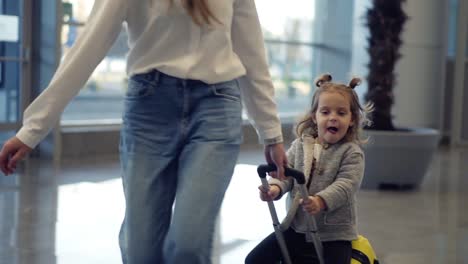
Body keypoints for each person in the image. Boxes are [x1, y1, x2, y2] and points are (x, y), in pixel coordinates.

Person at [0, 0, 288, 263]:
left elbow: (252, 55)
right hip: (150, 107)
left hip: (216, 107)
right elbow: (88, 47)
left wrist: (270, 132)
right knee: (142, 252)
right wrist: (33, 129)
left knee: (189, 245)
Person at [245, 73, 372, 264]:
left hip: (334, 234)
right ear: (314, 116)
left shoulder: (352, 152)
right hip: (296, 227)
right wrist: (275, 188)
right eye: (325, 112)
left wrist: (321, 200)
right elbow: (287, 174)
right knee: (255, 259)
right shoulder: (300, 145)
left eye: (341, 113)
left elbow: (347, 185)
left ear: (352, 119)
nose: (333, 118)